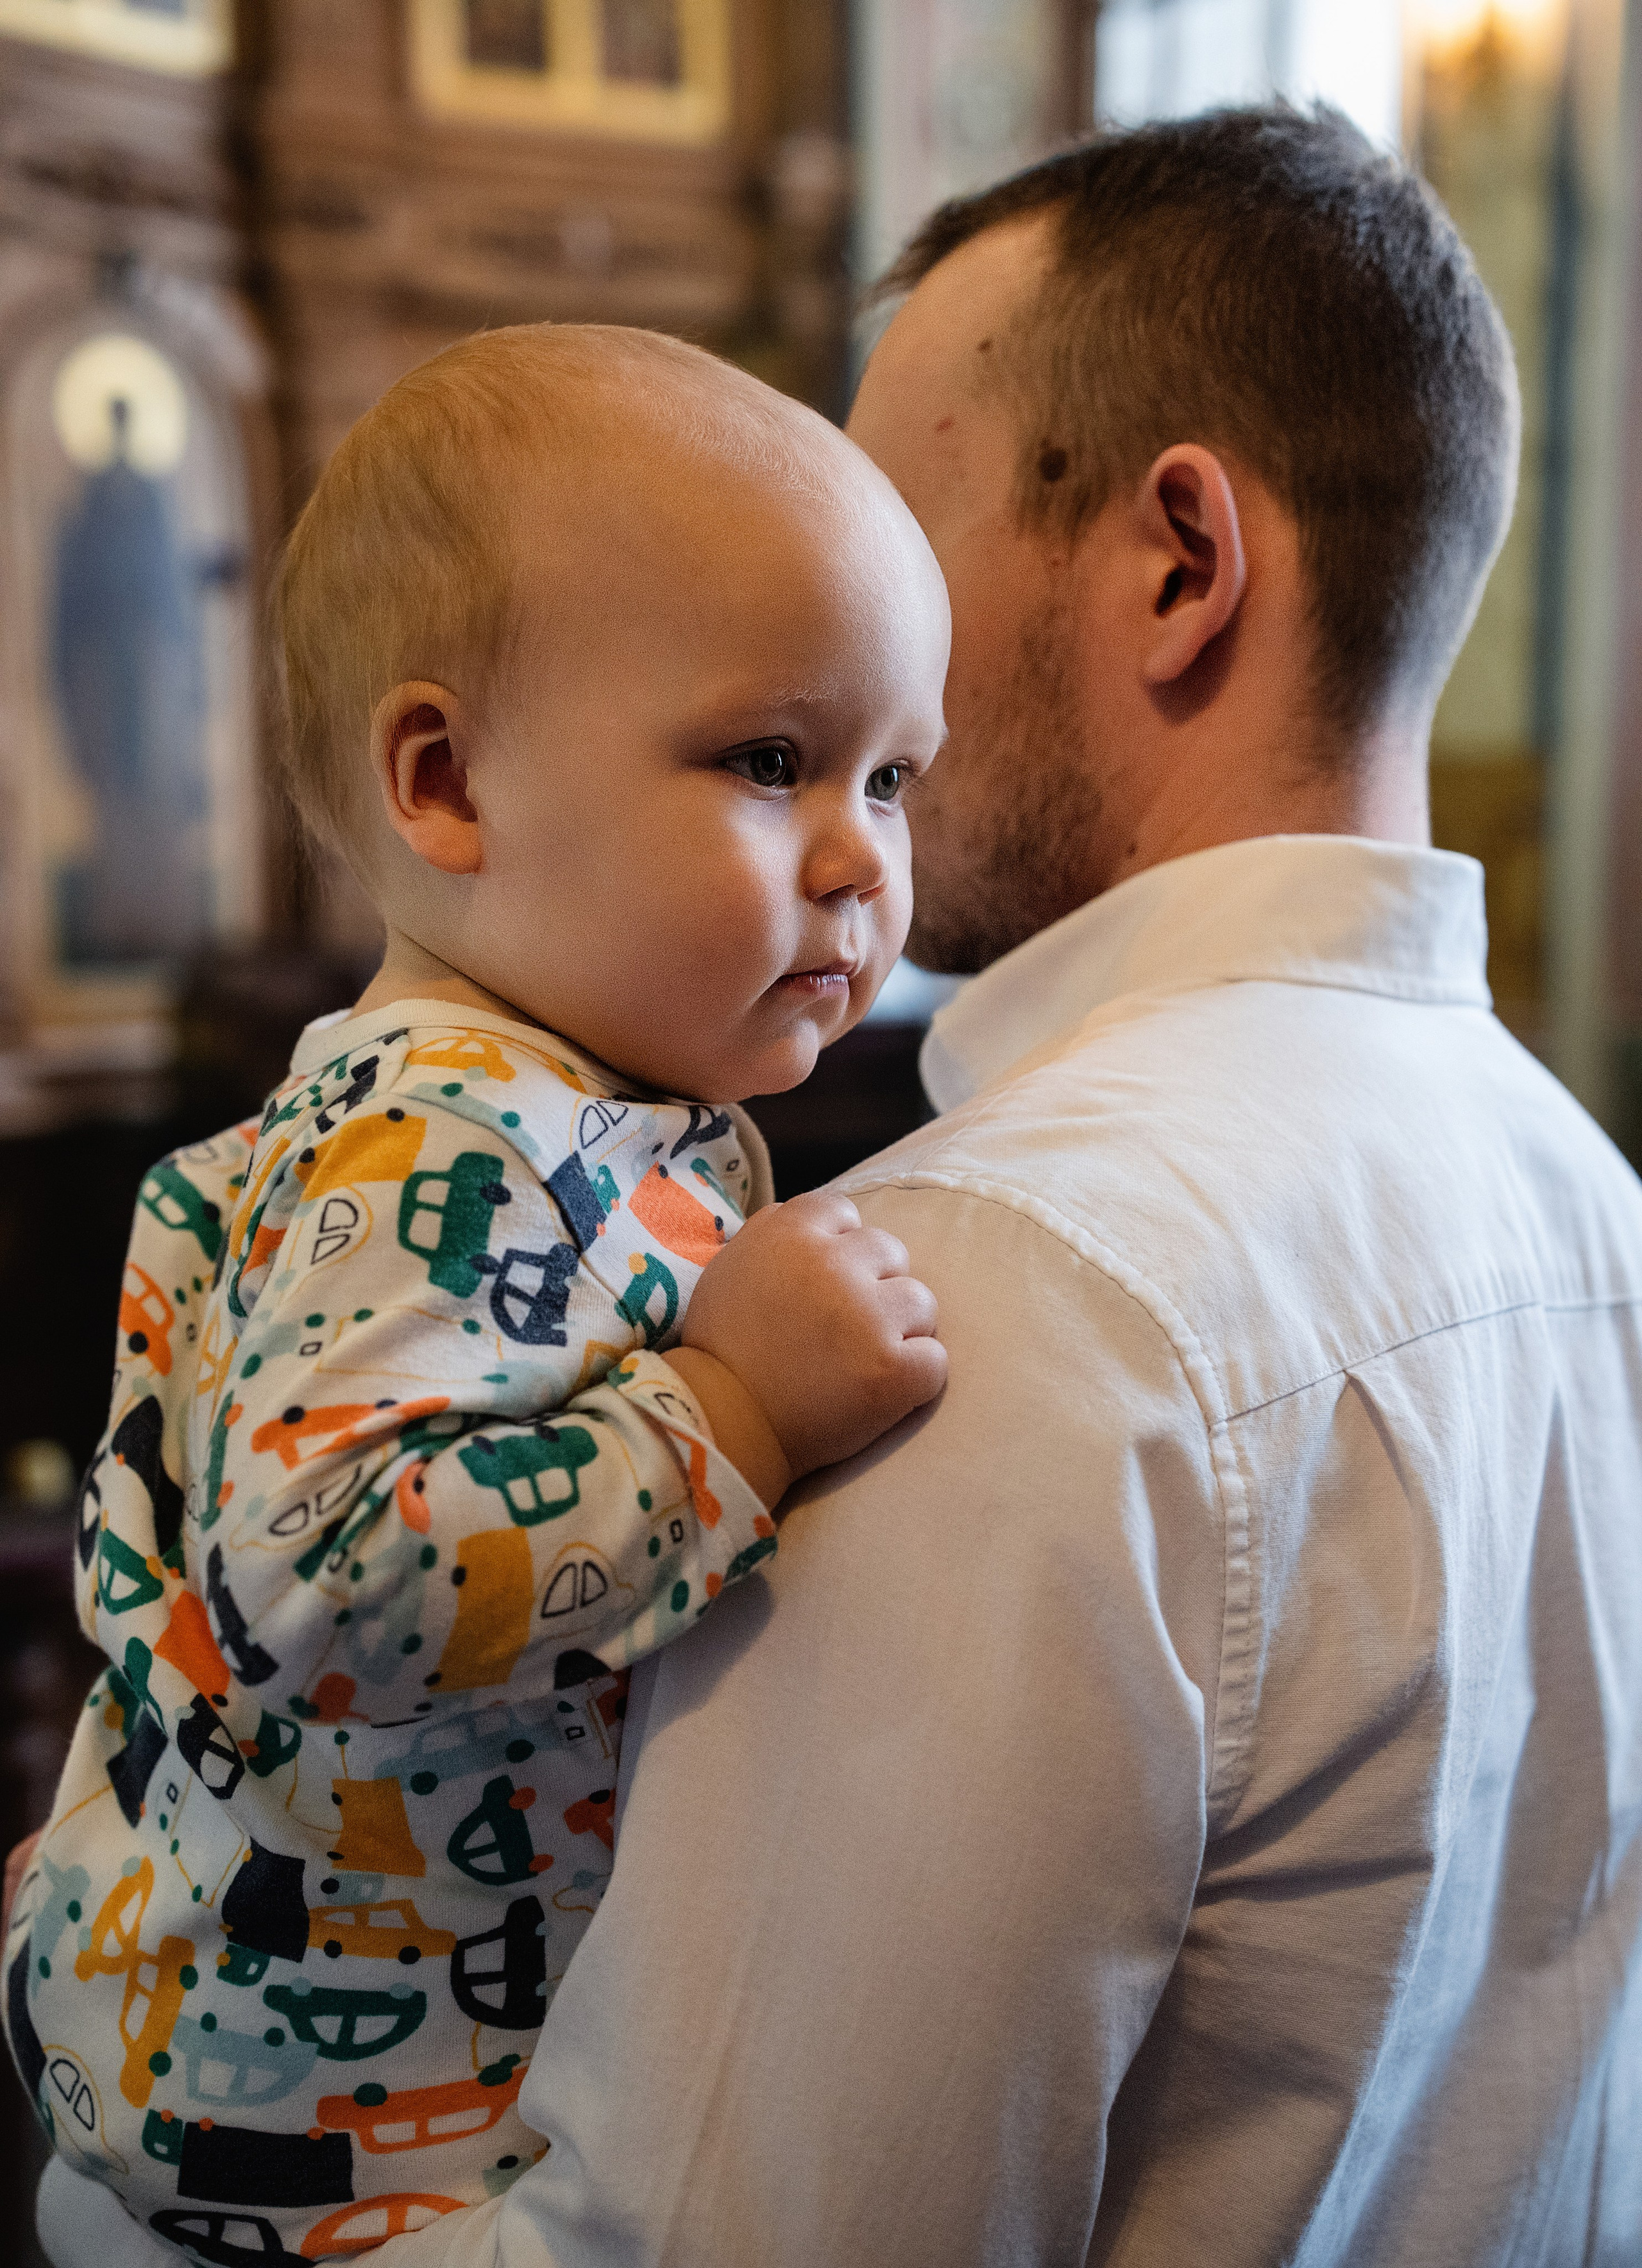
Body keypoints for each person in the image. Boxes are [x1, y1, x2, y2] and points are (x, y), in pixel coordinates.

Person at [243, 105, 1638, 2266]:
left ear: (1181, 564)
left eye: (893, 516)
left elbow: (711, 2235)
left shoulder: (984, 1283)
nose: (844, 612)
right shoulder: (1597, 1209)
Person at [10, 323, 949, 2262]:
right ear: (445, 782)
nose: (864, 855)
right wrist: (733, 1416)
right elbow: (319, 1571)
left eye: (896, 774)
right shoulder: (449, 1144)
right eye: (773, 760)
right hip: (326, 2163)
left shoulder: (564, 1104)